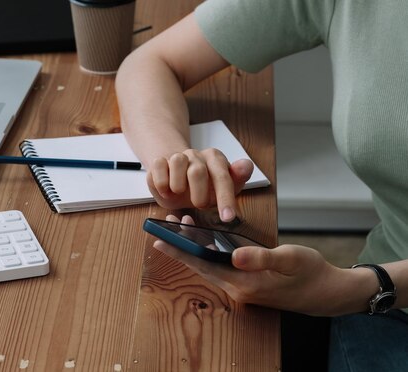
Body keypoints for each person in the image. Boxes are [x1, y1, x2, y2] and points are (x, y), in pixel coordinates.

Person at [115, 0, 408, 371]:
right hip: (383, 296)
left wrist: (355, 289)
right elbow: (151, 63)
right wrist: (175, 159)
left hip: (375, 292)